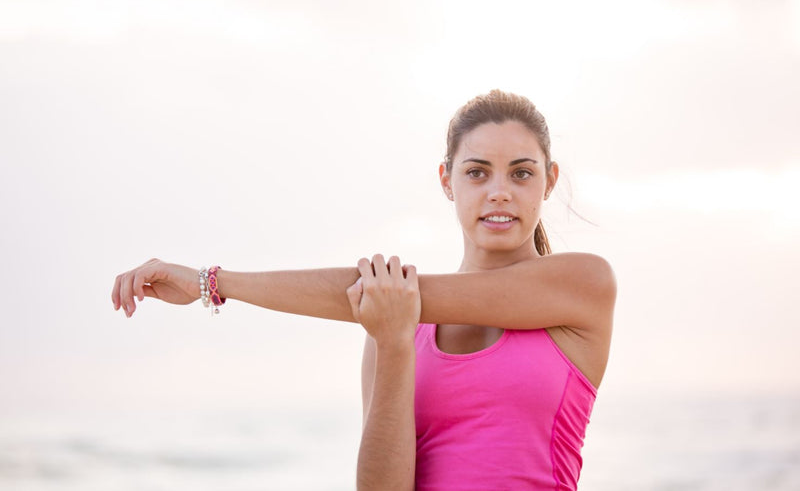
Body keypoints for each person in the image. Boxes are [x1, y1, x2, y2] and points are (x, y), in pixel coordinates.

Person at [111, 89, 617, 490]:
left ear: (549, 181)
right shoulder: (391, 318)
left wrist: (210, 283)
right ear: (447, 180)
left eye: (521, 173)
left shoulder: (583, 285)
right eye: (477, 172)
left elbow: (373, 294)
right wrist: (394, 343)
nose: (499, 191)